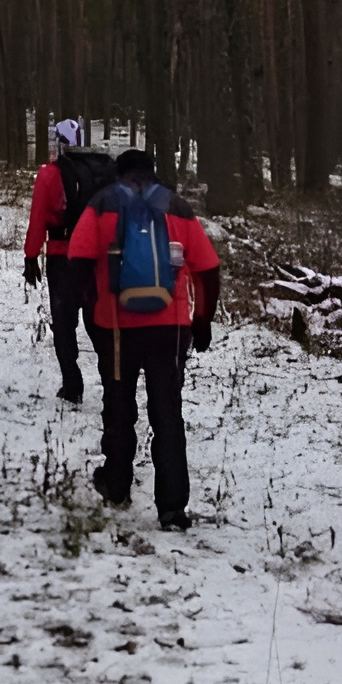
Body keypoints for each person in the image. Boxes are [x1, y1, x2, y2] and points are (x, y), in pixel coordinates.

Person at [67, 147, 220, 532]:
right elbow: (208, 268)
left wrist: (85, 304)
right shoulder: (178, 207)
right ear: (153, 173)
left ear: (119, 173)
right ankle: (172, 507)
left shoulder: (102, 204)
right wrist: (201, 320)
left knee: (119, 404)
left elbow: (79, 261)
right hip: (170, 329)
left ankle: (116, 485)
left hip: (116, 326)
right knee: (167, 411)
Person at [22, 118, 115, 404]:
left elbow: (38, 218)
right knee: (98, 318)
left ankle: (72, 384)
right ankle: (112, 381)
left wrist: (30, 256)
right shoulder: (107, 171)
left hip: (63, 254)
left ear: (57, 142)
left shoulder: (51, 174)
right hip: (98, 256)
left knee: (64, 321)